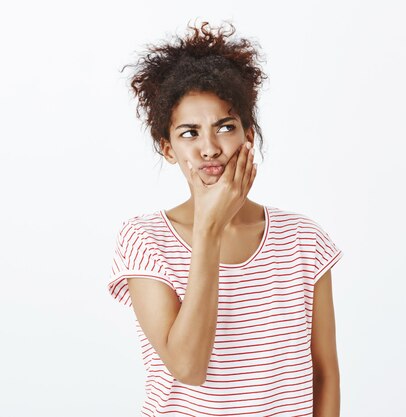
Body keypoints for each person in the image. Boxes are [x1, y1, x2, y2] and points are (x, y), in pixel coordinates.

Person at [106, 20, 344, 417]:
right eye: (189, 133)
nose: (209, 148)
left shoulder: (303, 239)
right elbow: (187, 367)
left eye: (225, 127)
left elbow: (325, 374)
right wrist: (209, 229)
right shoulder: (144, 240)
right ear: (167, 148)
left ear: (248, 135)